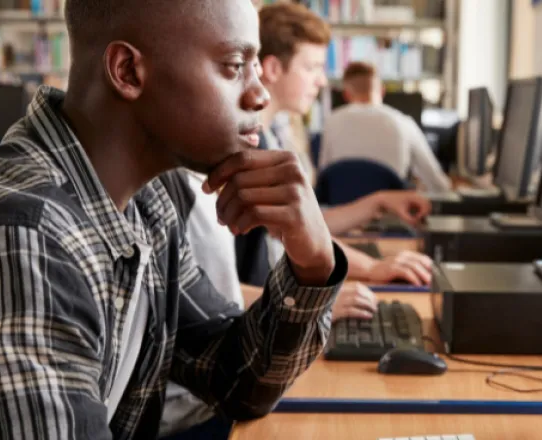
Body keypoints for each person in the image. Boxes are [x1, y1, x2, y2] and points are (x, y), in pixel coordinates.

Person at [0, 1, 349, 439]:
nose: (260, 94)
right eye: (233, 65)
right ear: (128, 71)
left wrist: (313, 261)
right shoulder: (22, 235)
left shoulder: (149, 204)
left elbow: (237, 378)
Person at [159, 169, 376, 439]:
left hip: (216, 397)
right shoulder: (168, 192)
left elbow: (235, 370)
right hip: (189, 416)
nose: (255, 129)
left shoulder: (166, 196)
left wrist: (311, 278)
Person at [236, 2, 434, 289]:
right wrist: (371, 268)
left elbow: (305, 226)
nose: (321, 80)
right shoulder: (251, 147)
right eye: (312, 67)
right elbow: (291, 233)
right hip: (260, 307)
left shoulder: (271, 134)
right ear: (273, 68)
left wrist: (378, 202)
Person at [319, 61, 453, 192]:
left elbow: (323, 177)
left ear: (346, 94)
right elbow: (439, 185)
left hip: (341, 212)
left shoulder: (330, 122)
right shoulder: (404, 123)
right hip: (392, 212)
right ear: (382, 91)